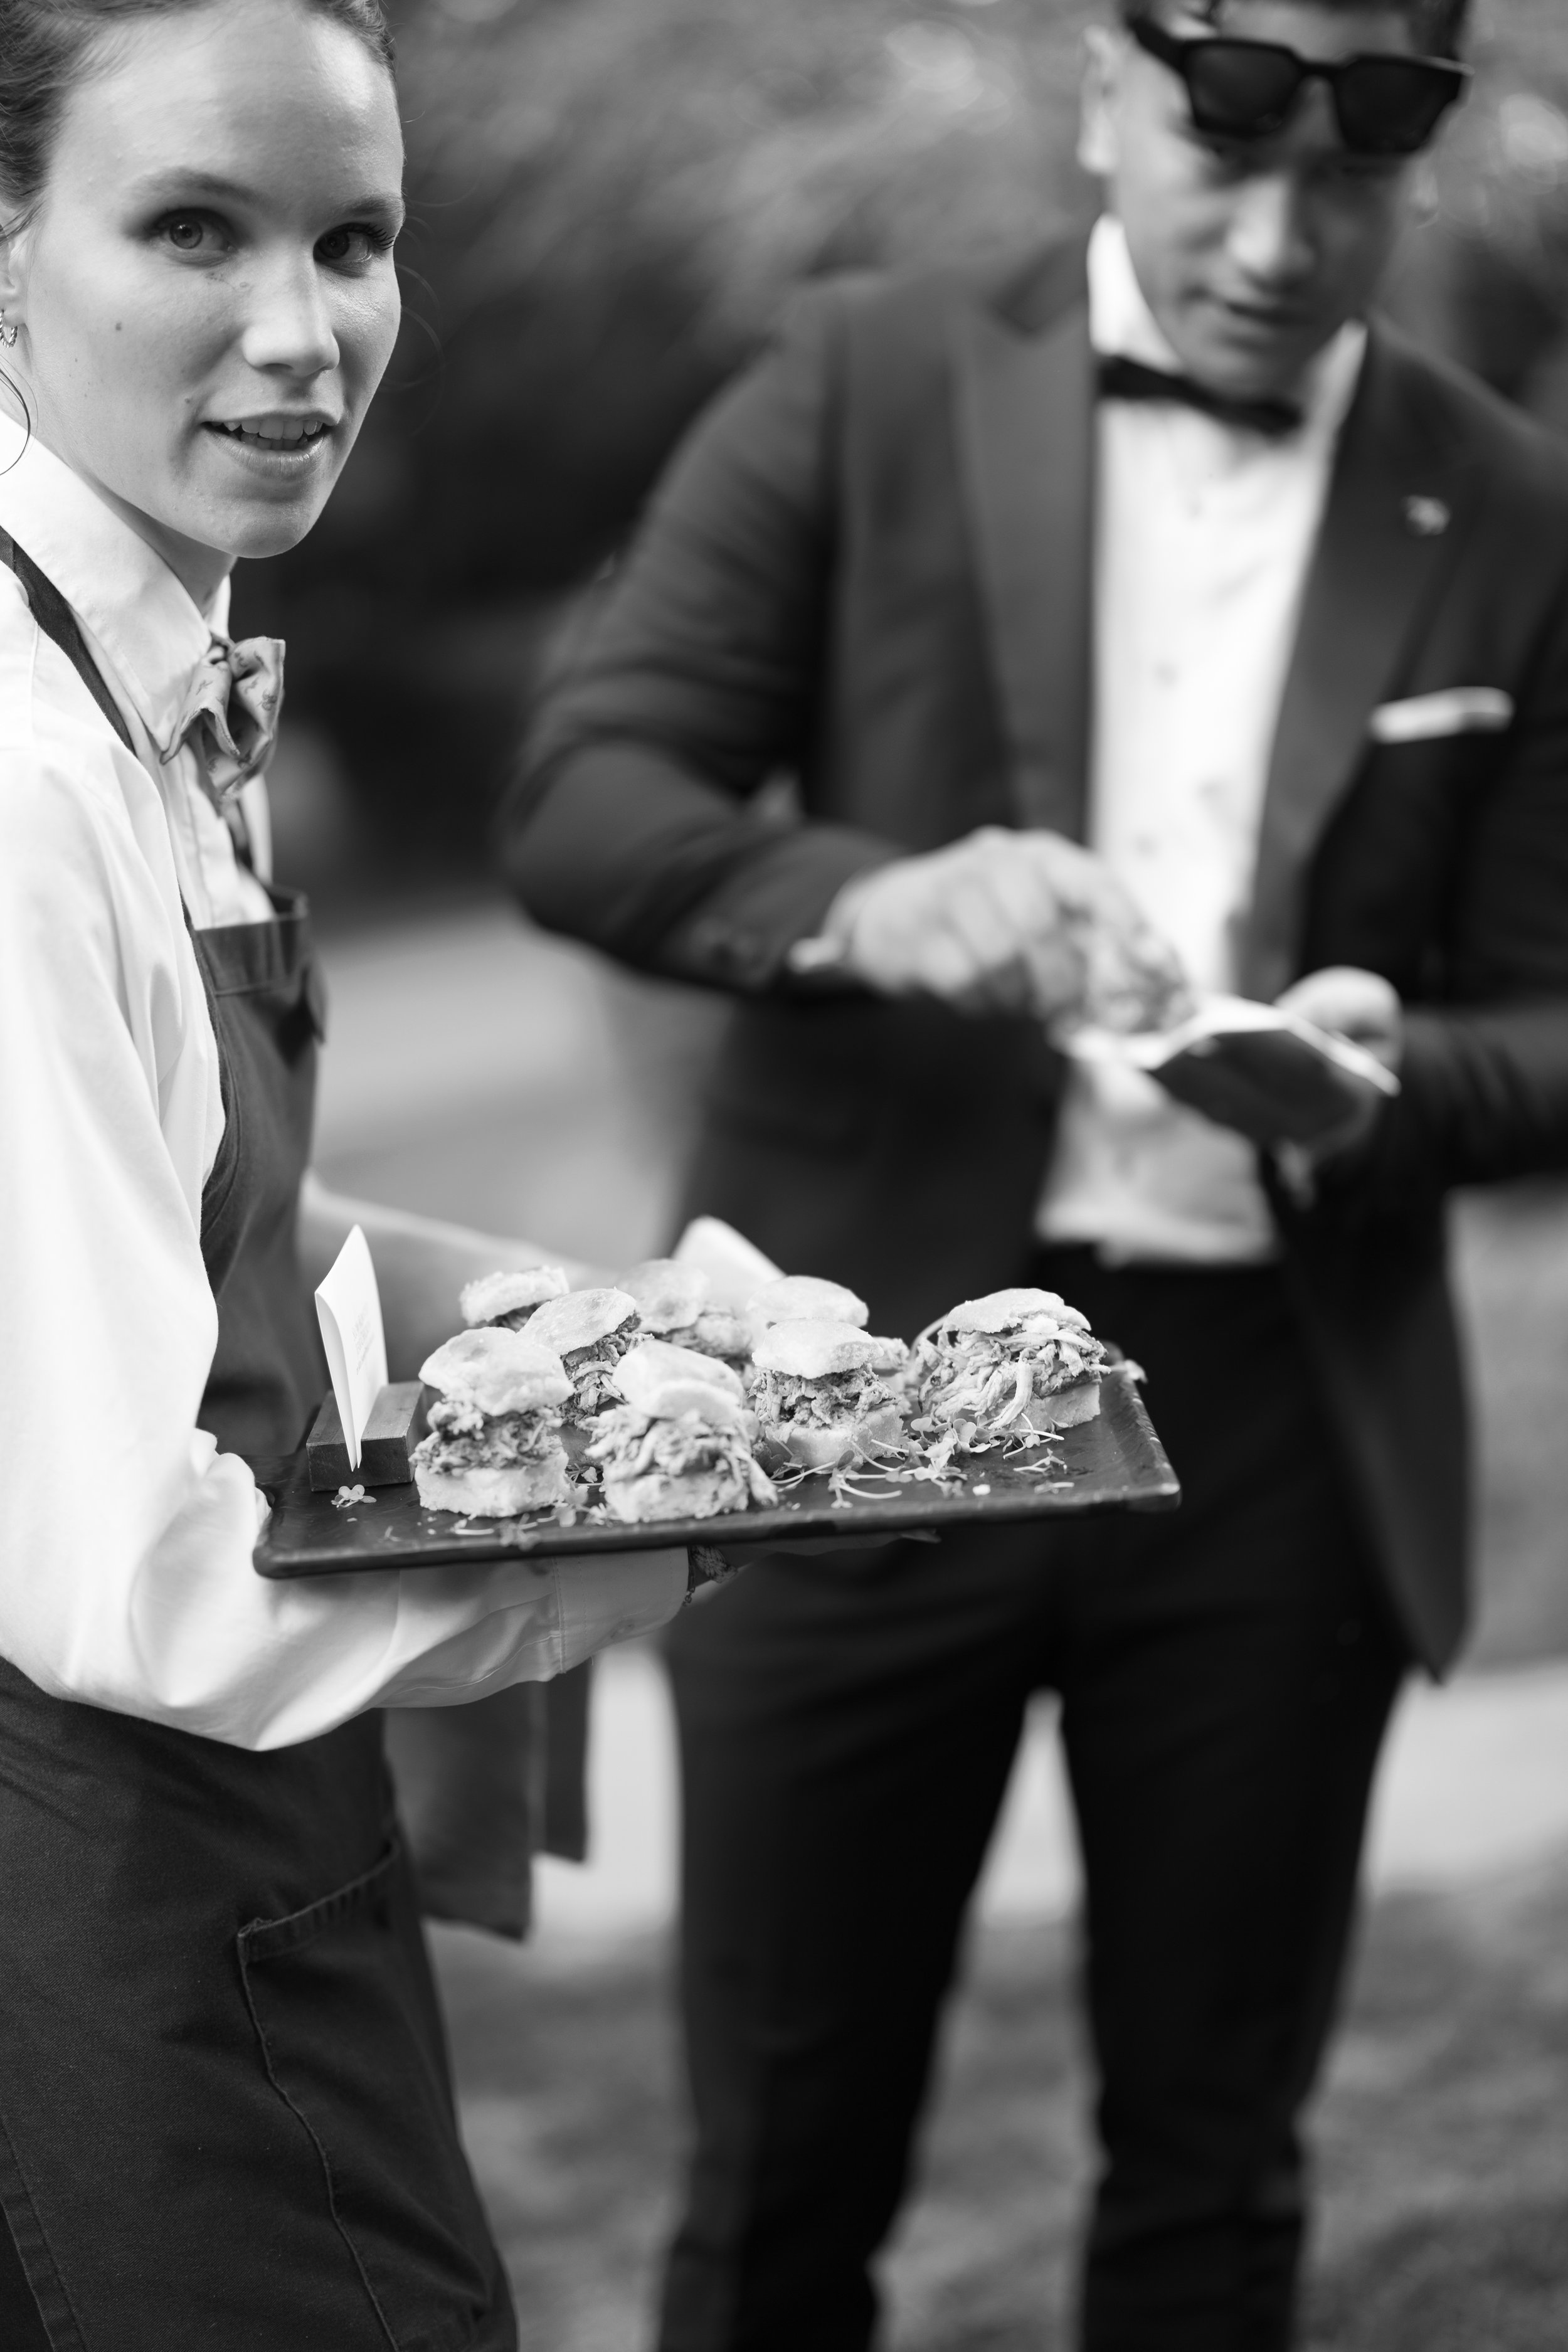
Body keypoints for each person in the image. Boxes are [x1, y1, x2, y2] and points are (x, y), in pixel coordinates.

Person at [502, 0, 1568, 2344]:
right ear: (1104, 90)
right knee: (780, 2176)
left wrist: (1405, 1080)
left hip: (1276, 1421)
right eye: (1225, 151)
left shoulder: (1502, 501)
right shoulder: (859, 377)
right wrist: (863, 902)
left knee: (1213, 2175)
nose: (1283, 243)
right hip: (863, 1406)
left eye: (1357, 176)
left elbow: (1545, 1018)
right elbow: (588, 793)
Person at [0, 1, 688, 2344]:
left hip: (256, 1841)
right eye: (194, 227)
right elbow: (136, 1582)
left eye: (357, 238)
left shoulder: (150, 645)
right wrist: (642, 1551)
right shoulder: (17, 777)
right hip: (109, 1882)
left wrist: (580, 1320)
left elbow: (161, 1212)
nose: (306, 332)